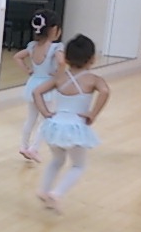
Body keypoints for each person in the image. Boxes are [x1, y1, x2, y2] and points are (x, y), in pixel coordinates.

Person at [33, 34, 110, 213]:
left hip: (54, 126)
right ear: (92, 59)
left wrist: (45, 113)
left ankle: (44, 190)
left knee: (57, 160)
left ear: (66, 58)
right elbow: (105, 92)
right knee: (78, 165)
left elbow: (37, 92)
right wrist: (93, 114)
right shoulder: (94, 80)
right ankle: (56, 193)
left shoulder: (59, 78)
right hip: (75, 128)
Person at [13, 10, 65, 163]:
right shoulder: (56, 47)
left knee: (31, 118)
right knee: (46, 119)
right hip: (46, 88)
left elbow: (17, 57)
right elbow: (62, 62)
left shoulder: (32, 46)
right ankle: (34, 148)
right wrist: (59, 75)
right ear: (54, 30)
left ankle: (23, 145)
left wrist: (28, 70)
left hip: (33, 85)